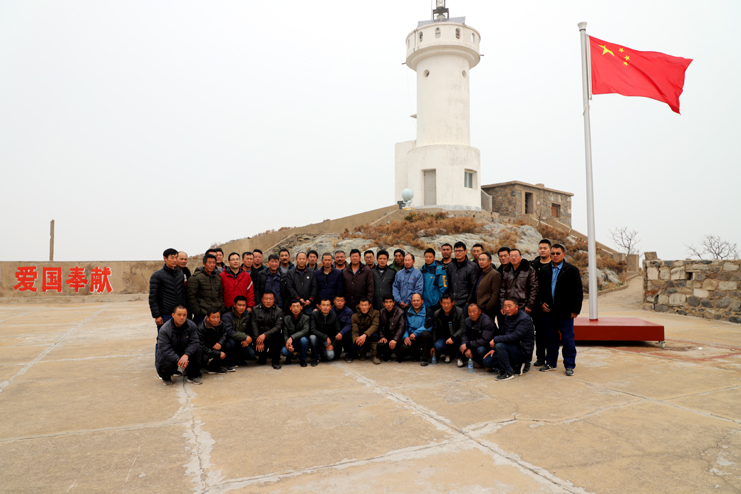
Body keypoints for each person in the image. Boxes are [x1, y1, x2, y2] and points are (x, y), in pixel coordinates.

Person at [538, 244, 583, 376]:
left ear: (564, 254)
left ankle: (569, 365)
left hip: (565, 312)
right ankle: (551, 362)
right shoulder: (544, 270)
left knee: (568, 339)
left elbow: (578, 291)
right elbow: (539, 290)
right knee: (551, 339)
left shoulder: (572, 270)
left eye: (558, 253)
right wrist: (541, 303)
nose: (555, 256)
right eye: (553, 253)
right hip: (549, 312)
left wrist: (575, 309)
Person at [483, 298, 535, 381]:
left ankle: (508, 372)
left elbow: (514, 337)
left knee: (500, 345)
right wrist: (493, 349)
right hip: (510, 348)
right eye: (505, 306)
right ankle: (515, 366)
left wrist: (495, 340)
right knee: (487, 361)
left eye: (509, 306)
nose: (506, 309)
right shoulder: (507, 317)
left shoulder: (524, 319)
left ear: (517, 307)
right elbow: (502, 333)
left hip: (521, 351)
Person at [149, 248, 185, 353]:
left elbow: (183, 294)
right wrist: (157, 315)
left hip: (178, 314)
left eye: (176, 257)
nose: (174, 260)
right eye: (172, 257)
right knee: (163, 340)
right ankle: (160, 361)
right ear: (165, 258)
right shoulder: (157, 276)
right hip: (165, 315)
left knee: (179, 340)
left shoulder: (180, 274)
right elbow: (153, 297)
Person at [156, 306, 202, 385]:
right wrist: (178, 359)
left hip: (184, 352)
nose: (182, 317)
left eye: (184, 315)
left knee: (198, 350)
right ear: (173, 315)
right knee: (166, 363)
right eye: (179, 315)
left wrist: (186, 354)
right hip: (172, 354)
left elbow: (194, 342)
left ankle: (193, 376)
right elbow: (164, 349)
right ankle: (166, 377)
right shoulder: (165, 329)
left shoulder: (191, 325)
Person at [530, 239, 552, 367]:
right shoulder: (533, 265)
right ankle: (540, 357)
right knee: (539, 332)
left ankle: (551, 358)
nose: (542, 250)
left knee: (550, 333)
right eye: (540, 248)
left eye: (545, 248)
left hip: (550, 305)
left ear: (550, 249)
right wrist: (539, 302)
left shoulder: (554, 265)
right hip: (536, 305)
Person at [499, 248, 538, 319]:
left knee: (523, 325)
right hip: (509, 306)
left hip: (523, 306)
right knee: (509, 325)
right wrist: (502, 305)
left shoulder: (529, 269)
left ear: (521, 257)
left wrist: (529, 305)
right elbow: (502, 290)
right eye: (511, 256)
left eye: (516, 256)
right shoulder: (507, 271)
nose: (513, 258)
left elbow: (534, 288)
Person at [251, 291, 285, 370]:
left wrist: (265, 335)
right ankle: (262, 357)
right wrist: (257, 339)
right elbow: (254, 325)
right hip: (259, 337)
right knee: (259, 358)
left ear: (274, 300)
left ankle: (275, 360)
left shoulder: (278, 311)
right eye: (266, 299)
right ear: (262, 299)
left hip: (271, 336)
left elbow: (278, 326)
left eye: (271, 299)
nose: (268, 301)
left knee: (278, 336)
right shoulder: (255, 309)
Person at [187, 253, 224, 325]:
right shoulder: (196, 277)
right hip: (202, 314)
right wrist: (198, 312)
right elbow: (191, 297)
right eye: (209, 262)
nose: (212, 265)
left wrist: (220, 308)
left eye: (214, 263)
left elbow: (220, 295)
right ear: (204, 264)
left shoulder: (217, 278)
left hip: (215, 313)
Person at [399, 293, 433, 366]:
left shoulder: (428, 311)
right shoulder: (407, 312)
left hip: (422, 337)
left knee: (426, 335)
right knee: (403, 348)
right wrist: (406, 337)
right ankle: (415, 355)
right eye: (414, 301)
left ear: (422, 301)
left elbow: (428, 326)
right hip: (411, 337)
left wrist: (415, 333)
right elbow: (404, 326)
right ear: (411, 302)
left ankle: (425, 359)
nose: (416, 302)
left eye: (418, 300)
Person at [431, 293, 466, 364]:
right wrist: (433, 345)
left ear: (453, 302)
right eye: (444, 303)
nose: (446, 306)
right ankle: (448, 354)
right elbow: (435, 330)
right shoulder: (437, 314)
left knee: (462, 346)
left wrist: (453, 338)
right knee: (438, 345)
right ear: (440, 303)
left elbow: (462, 327)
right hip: (445, 338)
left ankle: (458, 357)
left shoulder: (459, 311)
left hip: (457, 337)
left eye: (448, 303)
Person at [459, 303, 496, 368]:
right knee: (461, 346)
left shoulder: (486, 321)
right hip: (475, 342)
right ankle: (480, 363)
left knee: (480, 350)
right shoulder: (467, 320)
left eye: (474, 311)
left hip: (488, 345)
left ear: (479, 311)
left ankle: (487, 363)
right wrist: (466, 347)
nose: (472, 314)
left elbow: (485, 340)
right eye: (470, 312)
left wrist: (468, 345)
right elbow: (465, 334)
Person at [222, 296, 254, 368]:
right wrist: (245, 337)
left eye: (244, 305)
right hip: (229, 340)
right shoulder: (227, 316)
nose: (241, 308)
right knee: (231, 343)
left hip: (241, 341)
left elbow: (250, 330)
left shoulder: (247, 315)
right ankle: (228, 362)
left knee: (251, 354)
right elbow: (229, 332)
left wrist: (247, 339)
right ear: (234, 305)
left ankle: (239, 359)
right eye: (239, 305)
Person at [447, 242, 478, 311]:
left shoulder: (472, 266)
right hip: (452, 302)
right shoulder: (450, 266)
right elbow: (448, 284)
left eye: (460, 251)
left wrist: (468, 302)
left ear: (465, 251)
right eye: (456, 251)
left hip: (464, 303)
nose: (458, 253)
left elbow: (473, 287)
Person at [197, 307, 228, 375]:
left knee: (227, 345)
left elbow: (224, 334)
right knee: (204, 357)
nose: (216, 320)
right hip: (206, 349)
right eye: (213, 317)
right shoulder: (201, 328)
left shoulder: (220, 324)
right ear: (208, 318)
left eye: (218, 317)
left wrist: (220, 343)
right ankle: (205, 367)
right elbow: (202, 346)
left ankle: (215, 367)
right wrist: (218, 353)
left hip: (216, 345)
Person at [470, 253, 502, 320]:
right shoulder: (479, 272)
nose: (481, 262)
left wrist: (487, 307)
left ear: (490, 261)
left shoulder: (495, 274)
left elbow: (495, 294)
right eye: (479, 260)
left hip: (486, 309)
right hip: (477, 307)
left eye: (483, 260)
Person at [281, 299, 312, 367]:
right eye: (293, 306)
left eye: (297, 306)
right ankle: (289, 357)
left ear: (301, 307)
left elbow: (305, 331)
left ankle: (302, 359)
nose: (295, 308)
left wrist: (292, 337)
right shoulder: (286, 318)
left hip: (300, 342)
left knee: (304, 340)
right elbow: (285, 333)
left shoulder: (306, 318)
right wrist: (287, 344)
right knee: (284, 351)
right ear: (290, 308)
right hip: (290, 342)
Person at [377, 295, 406, 363]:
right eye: (386, 302)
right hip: (386, 338)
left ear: (394, 303)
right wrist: (382, 337)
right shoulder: (380, 312)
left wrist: (395, 339)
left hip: (397, 339)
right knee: (380, 345)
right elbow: (379, 326)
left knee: (404, 349)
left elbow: (401, 327)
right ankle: (387, 355)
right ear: (383, 303)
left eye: (390, 302)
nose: (388, 304)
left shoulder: (400, 312)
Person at [349, 298, 379, 362]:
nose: (364, 307)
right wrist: (357, 340)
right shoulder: (354, 316)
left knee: (375, 335)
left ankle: (375, 355)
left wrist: (365, 335)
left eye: (366, 305)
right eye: (362, 305)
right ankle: (362, 353)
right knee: (353, 346)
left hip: (370, 335)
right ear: (359, 306)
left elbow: (374, 326)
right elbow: (355, 331)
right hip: (360, 337)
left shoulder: (376, 313)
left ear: (369, 305)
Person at [310, 298, 340, 364]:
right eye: (323, 305)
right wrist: (325, 337)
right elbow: (312, 329)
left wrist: (333, 345)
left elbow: (337, 331)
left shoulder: (333, 315)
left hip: (328, 341)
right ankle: (315, 357)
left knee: (330, 356)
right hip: (318, 338)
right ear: (320, 306)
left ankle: (322, 353)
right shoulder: (314, 314)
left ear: (330, 307)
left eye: (327, 305)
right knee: (312, 337)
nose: (325, 307)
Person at [420, 248, 447, 312]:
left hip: (435, 304)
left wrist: (439, 301)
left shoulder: (439, 270)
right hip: (424, 304)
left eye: (430, 257)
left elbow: (444, 287)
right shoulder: (422, 270)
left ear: (434, 258)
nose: (428, 258)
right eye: (426, 257)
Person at [332, 294, 354, 360]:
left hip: (344, 333)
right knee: (334, 356)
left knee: (350, 334)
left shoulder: (349, 311)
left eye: (341, 301)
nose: (339, 302)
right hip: (334, 333)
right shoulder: (330, 310)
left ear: (344, 302)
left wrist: (342, 332)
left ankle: (348, 353)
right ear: (334, 301)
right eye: (338, 300)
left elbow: (349, 325)